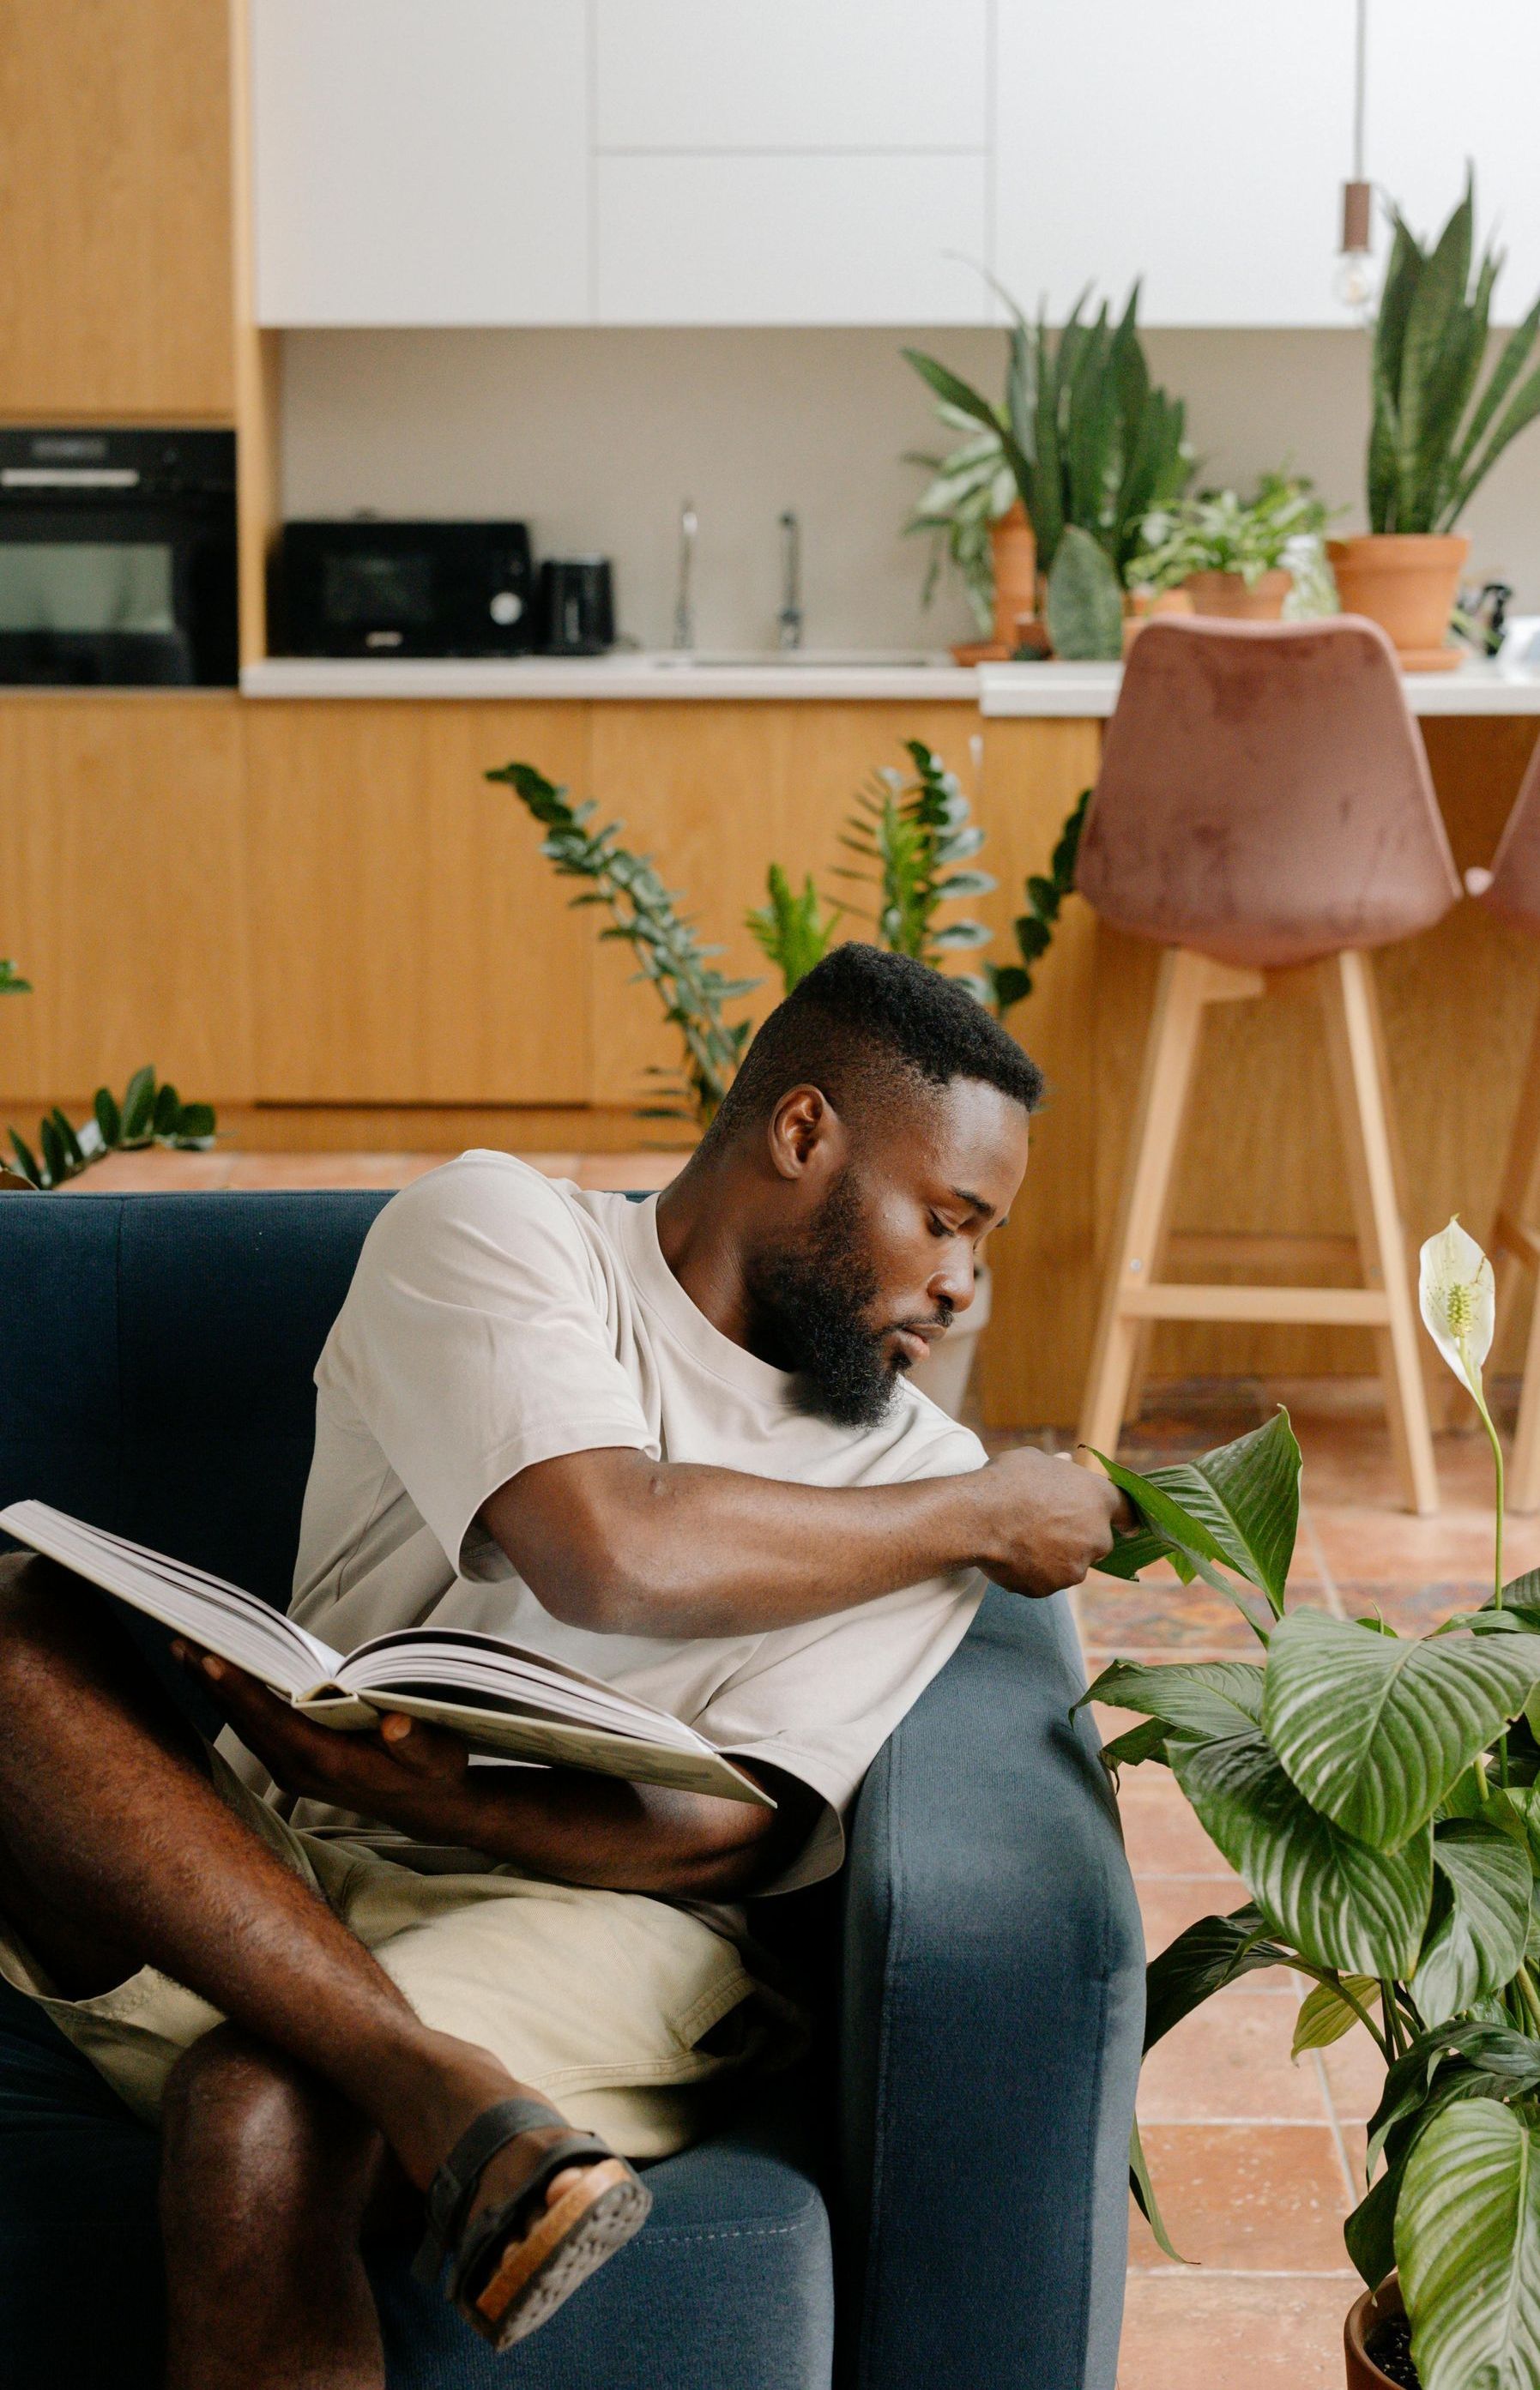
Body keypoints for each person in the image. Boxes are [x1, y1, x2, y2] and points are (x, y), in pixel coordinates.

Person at [0, 944, 1128, 2390]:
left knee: (260, 2104)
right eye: (947, 1219)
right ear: (802, 1134)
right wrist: (982, 1512)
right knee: (18, 1619)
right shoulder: (496, 1230)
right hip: (266, 1859)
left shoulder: (913, 1470)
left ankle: (399, 2074)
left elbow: (738, 1824)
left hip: (595, 1927)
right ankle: (430, 2081)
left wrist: (463, 1803)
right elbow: (607, 1544)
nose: (963, 1285)